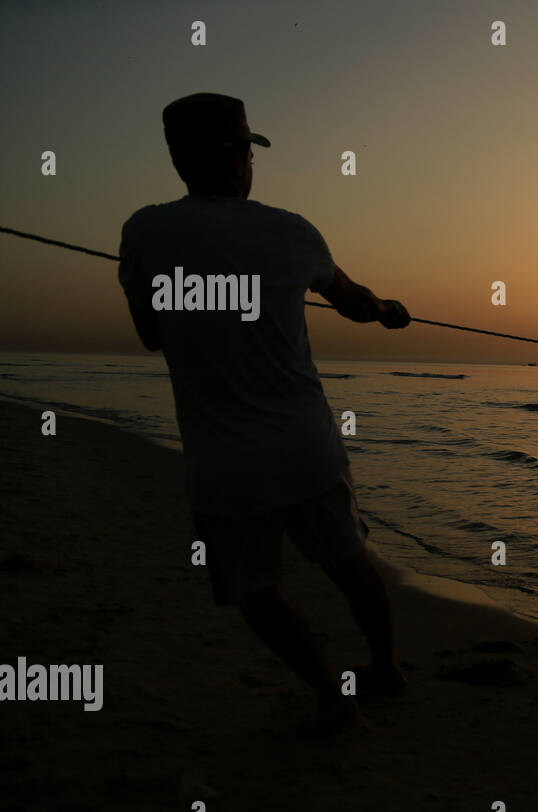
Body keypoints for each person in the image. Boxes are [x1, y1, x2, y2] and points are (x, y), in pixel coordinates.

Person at [117, 93, 411, 736]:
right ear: (241, 156)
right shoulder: (292, 230)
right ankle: (384, 668)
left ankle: (332, 695)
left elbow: (151, 335)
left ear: (176, 158)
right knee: (347, 561)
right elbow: (355, 303)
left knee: (254, 588)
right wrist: (389, 308)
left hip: (224, 462)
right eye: (250, 150)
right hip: (306, 447)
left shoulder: (144, 230)